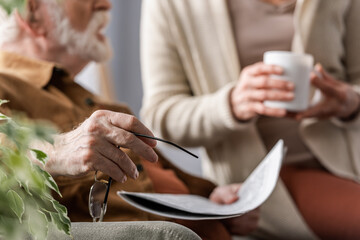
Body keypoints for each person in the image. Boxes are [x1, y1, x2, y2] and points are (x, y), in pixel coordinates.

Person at [0, 0, 259, 239]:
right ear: (32, 12)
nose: (105, 4)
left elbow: (174, 180)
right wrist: (55, 150)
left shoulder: (104, 105)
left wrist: (214, 198)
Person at [140, 0, 360, 239]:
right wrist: (230, 105)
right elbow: (159, 117)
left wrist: (350, 103)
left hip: (349, 163)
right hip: (256, 184)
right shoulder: (171, 5)